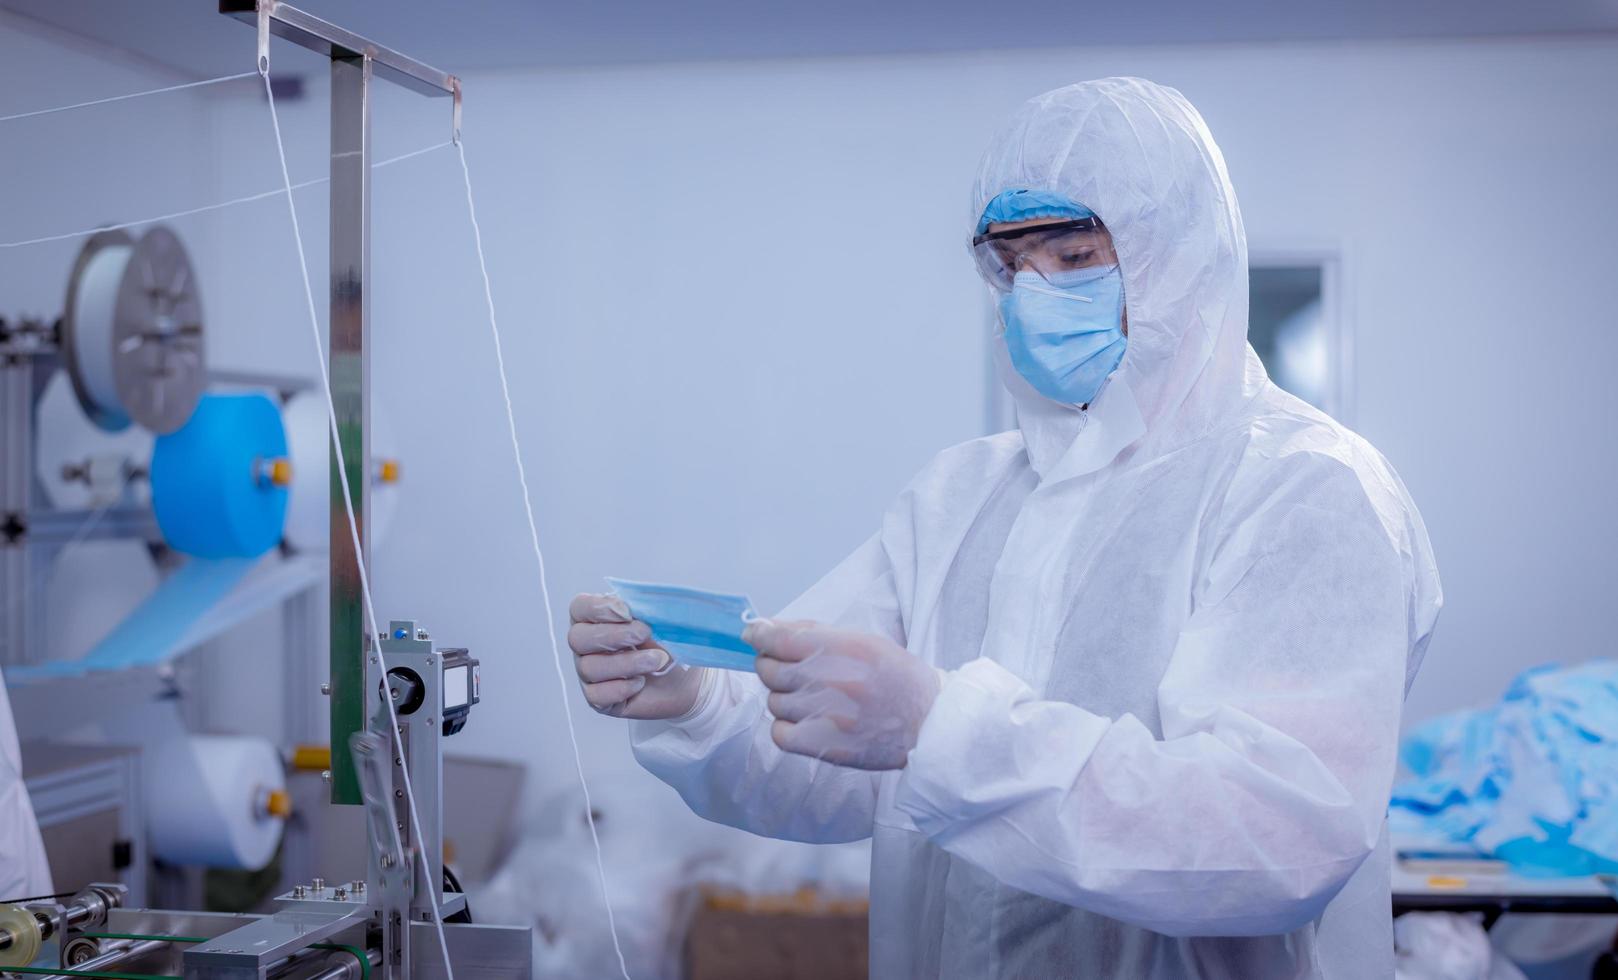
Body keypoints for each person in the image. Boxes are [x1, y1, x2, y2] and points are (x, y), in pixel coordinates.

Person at [569, 76, 1440, 979]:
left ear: (1179, 255)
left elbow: (1273, 838)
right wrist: (697, 701)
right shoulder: (962, 496)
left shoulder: (1307, 489)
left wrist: (942, 731)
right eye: (1011, 262)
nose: (1033, 291)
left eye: (1073, 255)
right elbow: (831, 758)